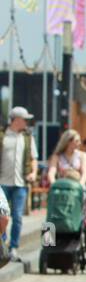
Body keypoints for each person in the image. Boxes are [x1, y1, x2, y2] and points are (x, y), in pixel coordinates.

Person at [0, 107, 37, 254]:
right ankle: (2, 242)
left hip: (20, 183)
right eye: (25, 119)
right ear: (16, 119)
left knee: (18, 217)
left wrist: (33, 172)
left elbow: (33, 158)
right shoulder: (2, 136)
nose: (27, 122)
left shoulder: (27, 137)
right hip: (2, 183)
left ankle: (13, 247)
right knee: (2, 216)